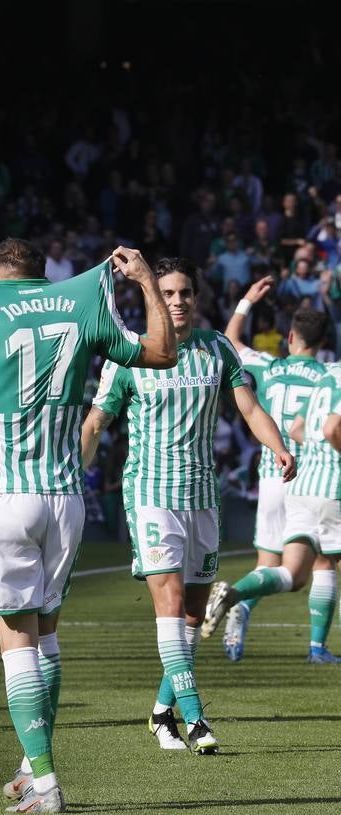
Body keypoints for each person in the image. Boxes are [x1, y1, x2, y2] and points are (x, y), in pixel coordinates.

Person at [0, 238, 177, 814]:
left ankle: (45, 782)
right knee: (46, 635)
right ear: (43, 273)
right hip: (67, 499)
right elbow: (161, 354)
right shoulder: (84, 299)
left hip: (5, 498)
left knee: (16, 643)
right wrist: (146, 282)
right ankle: (30, 762)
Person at [81, 258, 295, 755]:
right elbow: (95, 424)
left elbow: (249, 407)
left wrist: (277, 445)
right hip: (151, 495)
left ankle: (161, 712)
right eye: (168, 293)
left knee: (194, 614)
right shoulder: (128, 354)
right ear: (152, 298)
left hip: (202, 496)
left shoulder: (217, 348)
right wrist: (74, 473)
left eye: (185, 293)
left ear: (196, 298)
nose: (177, 301)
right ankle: (195, 719)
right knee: (171, 606)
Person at [206, 283, 333, 662]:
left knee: (268, 564)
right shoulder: (329, 374)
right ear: (322, 343)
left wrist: (246, 300)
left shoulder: (270, 365)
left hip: (270, 473)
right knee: (320, 563)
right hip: (310, 475)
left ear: (290, 337)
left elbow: (229, 339)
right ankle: (315, 646)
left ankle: (240, 608)